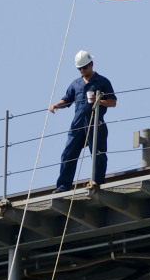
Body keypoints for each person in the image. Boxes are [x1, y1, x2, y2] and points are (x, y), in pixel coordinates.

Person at [50, 50, 117, 191]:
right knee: (68, 153)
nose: (82, 70)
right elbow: (67, 100)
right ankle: (63, 185)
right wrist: (57, 105)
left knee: (98, 152)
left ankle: (97, 181)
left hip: (95, 122)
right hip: (78, 123)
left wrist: (98, 101)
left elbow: (112, 102)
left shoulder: (102, 82)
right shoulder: (76, 84)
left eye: (84, 67)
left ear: (91, 64)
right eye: (79, 68)